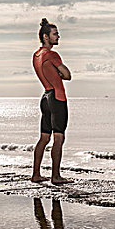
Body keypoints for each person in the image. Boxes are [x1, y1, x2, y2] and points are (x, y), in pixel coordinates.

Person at [31, 18, 73, 184]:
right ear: (45, 37)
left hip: (45, 97)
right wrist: (61, 73)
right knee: (59, 138)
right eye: (55, 34)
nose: (58, 36)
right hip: (57, 97)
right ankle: (55, 176)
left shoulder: (37, 55)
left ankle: (36, 174)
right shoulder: (52, 54)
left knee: (44, 138)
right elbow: (67, 74)